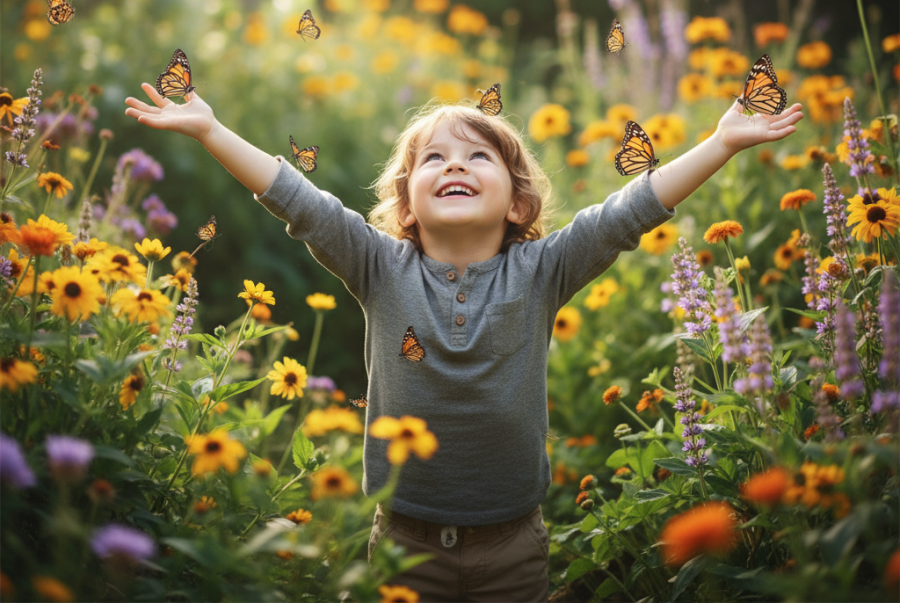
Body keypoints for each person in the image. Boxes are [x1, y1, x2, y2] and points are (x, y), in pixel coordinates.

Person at [125, 84, 803, 602]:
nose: (457, 164)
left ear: (516, 203)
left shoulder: (542, 272)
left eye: (479, 155)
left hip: (513, 545)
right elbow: (299, 200)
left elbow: (627, 213)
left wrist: (721, 144)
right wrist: (211, 131)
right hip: (403, 542)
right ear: (407, 203)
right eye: (435, 159)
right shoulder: (378, 268)